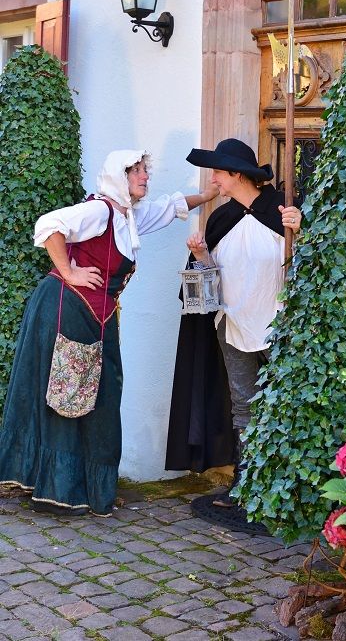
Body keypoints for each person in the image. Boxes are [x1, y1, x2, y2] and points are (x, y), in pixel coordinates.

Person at [0, 149, 217, 516]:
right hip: (67, 309)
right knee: (70, 393)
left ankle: (83, 485)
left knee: (98, 395)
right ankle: (61, 489)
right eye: (137, 171)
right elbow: (49, 225)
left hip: (96, 315)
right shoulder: (100, 211)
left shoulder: (127, 216)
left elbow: (170, 207)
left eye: (145, 170)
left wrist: (208, 195)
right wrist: (69, 271)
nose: (145, 176)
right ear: (119, 176)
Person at [165, 138, 301, 506]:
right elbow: (211, 282)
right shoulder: (221, 218)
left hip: (280, 327)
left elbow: (311, 266)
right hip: (233, 324)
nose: (214, 180)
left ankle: (287, 490)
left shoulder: (283, 210)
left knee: (286, 403)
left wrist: (302, 229)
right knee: (243, 405)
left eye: (218, 173)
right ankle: (246, 485)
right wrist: (201, 255)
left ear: (237, 174)